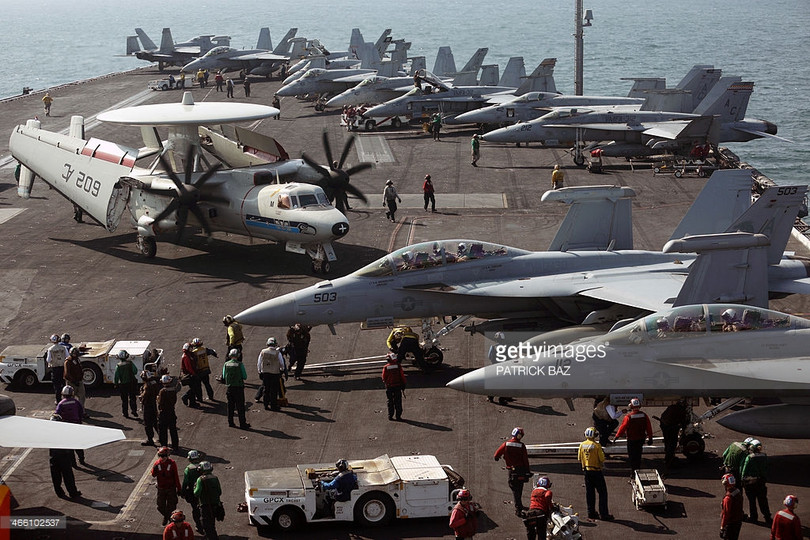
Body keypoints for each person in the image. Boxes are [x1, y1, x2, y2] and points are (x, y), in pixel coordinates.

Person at [494, 427, 532, 514]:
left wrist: (497, 457)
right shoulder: (522, 446)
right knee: (519, 489)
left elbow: (496, 454)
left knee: (514, 489)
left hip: (512, 471)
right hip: (521, 470)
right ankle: (519, 507)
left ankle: (518, 507)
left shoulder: (506, 444)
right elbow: (525, 460)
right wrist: (528, 471)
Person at [578, 427, 613, 521]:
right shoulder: (597, 446)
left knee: (590, 493)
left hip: (587, 472)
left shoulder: (582, 445)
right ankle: (604, 514)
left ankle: (591, 513)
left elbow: (579, 458)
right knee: (602, 493)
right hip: (596, 471)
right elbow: (602, 459)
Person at [614, 398, 653, 474]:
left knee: (632, 456)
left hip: (631, 439)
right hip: (641, 439)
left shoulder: (628, 417)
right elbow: (649, 427)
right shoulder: (644, 415)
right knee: (638, 455)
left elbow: (623, 427)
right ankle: (637, 470)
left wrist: (617, 436)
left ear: (630, 406)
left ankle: (633, 471)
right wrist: (650, 437)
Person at [48, 414, 81, 499]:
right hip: (63, 456)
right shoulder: (63, 431)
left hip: (53, 457)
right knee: (68, 476)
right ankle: (72, 492)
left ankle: (59, 492)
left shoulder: (49, 432)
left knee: (56, 476)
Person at [740, 439, 771, 524]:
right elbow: (766, 468)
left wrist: (742, 479)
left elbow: (744, 470)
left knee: (752, 501)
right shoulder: (764, 456)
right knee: (763, 500)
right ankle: (767, 517)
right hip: (761, 481)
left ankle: (754, 517)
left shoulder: (749, 457)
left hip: (751, 483)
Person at [55, 385, 85, 466]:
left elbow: (56, 415)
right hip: (76, 425)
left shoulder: (61, 404)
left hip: (66, 427)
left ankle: (73, 463)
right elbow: (81, 411)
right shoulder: (76, 402)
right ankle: (81, 459)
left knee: (70, 446)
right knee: (78, 444)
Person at [152, 446, 182, 526]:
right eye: (161, 456)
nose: (163, 458)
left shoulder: (172, 463)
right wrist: (154, 469)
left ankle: (171, 521)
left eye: (165, 456)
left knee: (172, 506)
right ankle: (167, 516)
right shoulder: (157, 464)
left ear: (168, 455)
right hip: (161, 489)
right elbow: (153, 475)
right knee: (160, 506)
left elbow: (176, 476)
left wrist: (179, 488)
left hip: (171, 488)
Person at [659, 399, 690, 472]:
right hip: (671, 427)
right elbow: (683, 422)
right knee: (672, 444)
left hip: (664, 426)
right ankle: (669, 462)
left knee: (667, 443)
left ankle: (668, 458)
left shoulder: (671, 407)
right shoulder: (681, 410)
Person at [194, 461, 222, 540]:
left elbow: (196, 493)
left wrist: (194, 488)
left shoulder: (200, 479)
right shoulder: (215, 478)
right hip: (215, 504)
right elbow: (219, 492)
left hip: (205, 505)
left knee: (206, 524)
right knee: (212, 522)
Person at [223, 348, 250, 428]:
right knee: (240, 407)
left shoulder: (226, 364)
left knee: (230, 406)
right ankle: (242, 423)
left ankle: (230, 422)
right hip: (238, 387)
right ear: (238, 355)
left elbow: (224, 376)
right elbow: (245, 376)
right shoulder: (240, 364)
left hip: (230, 387)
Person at [257, 337, 285, 411]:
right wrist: (282, 370)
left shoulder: (263, 351)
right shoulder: (277, 353)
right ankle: (273, 405)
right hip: (275, 373)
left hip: (265, 373)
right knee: (274, 391)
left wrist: (260, 371)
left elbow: (259, 362)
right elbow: (281, 363)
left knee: (266, 389)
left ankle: (265, 405)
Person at [181, 450, 204, 534]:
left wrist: (182, 492)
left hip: (193, 492)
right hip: (204, 492)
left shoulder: (188, 469)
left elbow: (185, 482)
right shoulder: (203, 467)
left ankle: (199, 525)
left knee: (195, 509)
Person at [114, 349, 139, 418]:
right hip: (131, 383)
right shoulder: (130, 363)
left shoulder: (118, 366)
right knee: (132, 398)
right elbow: (135, 371)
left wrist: (116, 384)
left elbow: (116, 376)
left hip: (123, 385)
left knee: (124, 400)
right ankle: (134, 411)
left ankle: (125, 413)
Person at [139, 363, 160, 446]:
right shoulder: (154, 383)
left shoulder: (147, 387)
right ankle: (161, 437)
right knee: (155, 422)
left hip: (147, 406)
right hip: (153, 405)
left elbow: (143, 397)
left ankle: (150, 439)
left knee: (148, 424)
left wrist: (141, 393)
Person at [382, 352, 406, 421]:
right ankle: (398, 416)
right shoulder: (398, 366)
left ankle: (390, 416)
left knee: (390, 401)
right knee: (398, 402)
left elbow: (384, 378)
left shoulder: (386, 367)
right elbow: (402, 376)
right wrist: (403, 384)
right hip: (397, 386)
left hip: (389, 387)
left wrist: (387, 383)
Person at [190, 337, 217, 402]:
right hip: (206, 369)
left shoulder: (194, 352)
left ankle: (200, 398)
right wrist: (215, 355)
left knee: (198, 386)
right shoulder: (204, 349)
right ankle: (211, 396)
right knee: (207, 384)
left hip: (199, 371)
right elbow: (212, 352)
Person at [157, 374, 180, 449]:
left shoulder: (162, 391)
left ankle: (164, 445)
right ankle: (175, 445)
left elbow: (160, 402)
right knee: (173, 429)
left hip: (164, 413)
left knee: (163, 430)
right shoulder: (173, 390)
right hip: (171, 411)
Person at [720, 473, 744, 540]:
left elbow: (726, 514)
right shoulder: (737, 492)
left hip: (731, 524)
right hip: (738, 521)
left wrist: (722, 527)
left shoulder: (728, 498)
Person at [46, 334, 67, 404]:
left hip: (55, 368)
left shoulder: (50, 349)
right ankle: (66, 398)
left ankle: (58, 400)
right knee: (64, 383)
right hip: (63, 367)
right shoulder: (63, 348)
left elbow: (48, 360)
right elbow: (68, 356)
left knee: (57, 385)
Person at [180, 343, 201, 408]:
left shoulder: (189, 355)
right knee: (194, 388)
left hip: (191, 374)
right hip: (190, 375)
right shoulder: (186, 356)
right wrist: (194, 374)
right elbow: (188, 367)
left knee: (193, 389)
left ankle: (192, 403)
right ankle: (185, 396)